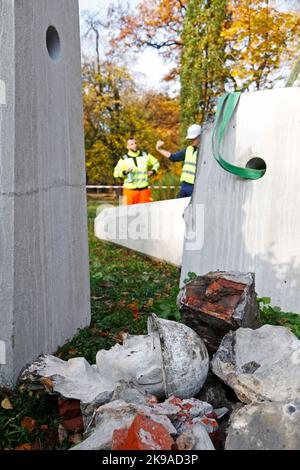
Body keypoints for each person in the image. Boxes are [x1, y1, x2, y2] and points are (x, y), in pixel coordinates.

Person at [156, 124, 202, 198]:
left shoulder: (205, 152)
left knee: (199, 208)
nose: (191, 140)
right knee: (183, 208)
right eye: (190, 139)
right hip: (185, 186)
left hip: (197, 187)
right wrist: (159, 149)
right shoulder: (188, 149)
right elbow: (173, 157)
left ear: (200, 136)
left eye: (193, 138)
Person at [114, 137, 160, 205]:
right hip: (129, 191)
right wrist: (125, 172)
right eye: (132, 144)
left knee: (146, 213)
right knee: (126, 213)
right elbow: (116, 173)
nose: (135, 145)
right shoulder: (123, 159)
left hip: (144, 190)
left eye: (135, 143)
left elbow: (156, 163)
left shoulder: (145, 155)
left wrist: (153, 171)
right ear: (127, 147)